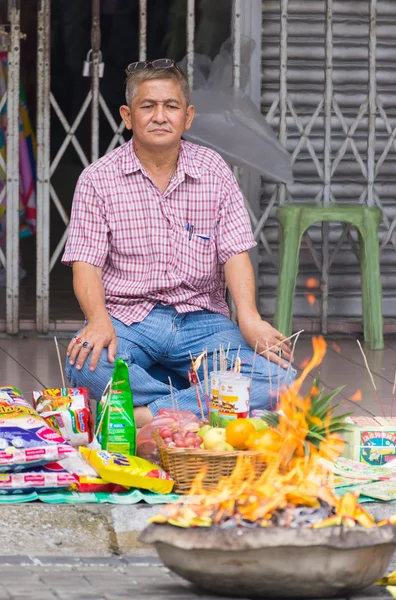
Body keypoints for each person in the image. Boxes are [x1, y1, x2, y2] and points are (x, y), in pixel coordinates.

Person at [62, 59, 295, 427]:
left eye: (170, 106)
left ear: (187, 117)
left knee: (279, 378)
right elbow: (85, 263)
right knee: (84, 364)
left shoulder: (213, 170)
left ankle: (144, 413)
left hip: (203, 322)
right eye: (147, 106)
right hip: (130, 320)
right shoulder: (98, 179)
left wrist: (249, 318)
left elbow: (235, 253)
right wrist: (97, 320)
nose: (159, 116)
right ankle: (197, 400)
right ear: (127, 115)